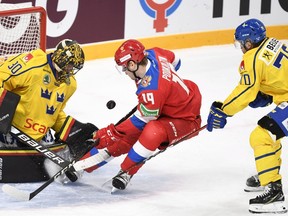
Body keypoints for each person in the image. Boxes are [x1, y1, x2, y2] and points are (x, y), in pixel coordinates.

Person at [75, 39, 202, 191]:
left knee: (151, 132)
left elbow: (140, 121)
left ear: (132, 64)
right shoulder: (153, 53)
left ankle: (126, 172)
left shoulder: (152, 89)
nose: (125, 72)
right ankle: (82, 165)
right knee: (129, 133)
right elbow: (176, 61)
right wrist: (165, 94)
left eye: (124, 68)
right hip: (172, 105)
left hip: (185, 119)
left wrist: (110, 133)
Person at [206, 18, 288, 214]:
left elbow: (247, 90)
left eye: (241, 44)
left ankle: (275, 193)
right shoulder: (274, 42)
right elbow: (278, 76)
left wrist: (223, 110)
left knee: (261, 136)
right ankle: (268, 173)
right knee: (270, 133)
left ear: (249, 43)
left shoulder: (253, 57)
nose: (241, 48)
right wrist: (268, 95)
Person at [0, 39, 97, 183]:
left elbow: (54, 113)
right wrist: (3, 113)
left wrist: (71, 130)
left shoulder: (70, 85)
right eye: (70, 65)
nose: (71, 70)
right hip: (9, 129)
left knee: (84, 136)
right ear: (61, 59)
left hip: (38, 135)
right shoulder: (32, 65)